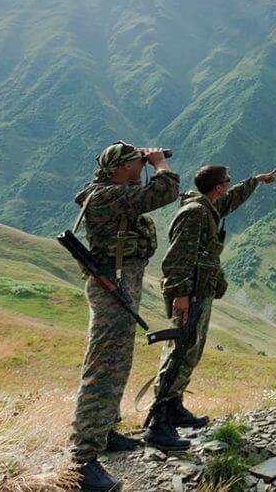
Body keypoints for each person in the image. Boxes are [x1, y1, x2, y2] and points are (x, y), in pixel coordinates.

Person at [69, 141, 180, 492]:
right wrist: (159, 164)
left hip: (121, 287)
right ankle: (81, 460)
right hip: (111, 290)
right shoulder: (105, 197)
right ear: (119, 168)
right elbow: (164, 191)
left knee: (119, 362)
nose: (142, 163)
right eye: (135, 161)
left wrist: (142, 164)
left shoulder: (115, 191)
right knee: (103, 369)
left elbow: (141, 195)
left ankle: (104, 433)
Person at [143, 164, 276, 450]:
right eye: (227, 180)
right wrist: (180, 295)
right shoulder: (195, 213)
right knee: (179, 352)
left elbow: (232, 200)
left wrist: (255, 179)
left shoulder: (209, 207)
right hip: (188, 295)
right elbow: (177, 256)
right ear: (217, 187)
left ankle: (174, 406)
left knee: (190, 350)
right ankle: (159, 424)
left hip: (199, 292)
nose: (229, 184)